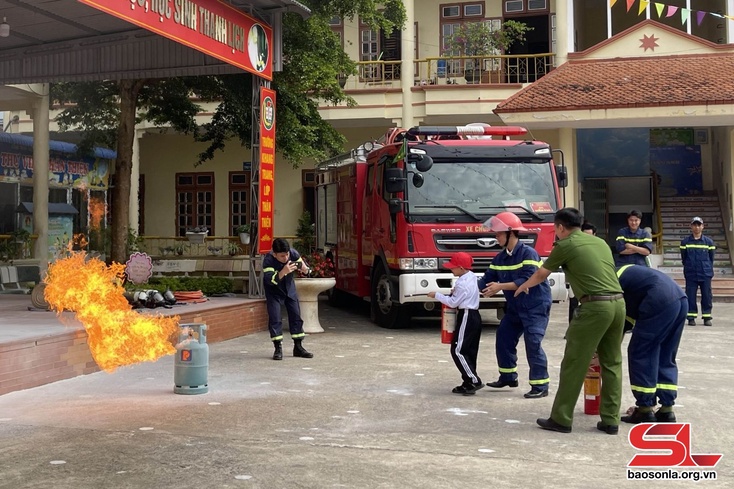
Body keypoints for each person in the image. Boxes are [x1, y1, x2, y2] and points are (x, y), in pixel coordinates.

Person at [515, 208, 626, 435]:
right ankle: (611, 420)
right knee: (612, 362)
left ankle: (561, 418)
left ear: (561, 227)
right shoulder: (600, 243)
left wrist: (524, 285)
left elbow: (541, 274)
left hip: (594, 307)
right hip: (618, 304)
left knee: (575, 363)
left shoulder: (565, 245)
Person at [478, 211, 552, 399]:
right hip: (515, 307)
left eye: (499, 233)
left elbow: (528, 279)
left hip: (535, 306)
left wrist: (500, 287)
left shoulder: (528, 253)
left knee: (533, 342)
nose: (496, 237)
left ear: (511, 233)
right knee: (504, 336)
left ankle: (540, 384)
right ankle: (508, 376)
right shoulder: (500, 258)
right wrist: (462, 287)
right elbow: (486, 280)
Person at [616, 265, 687, 424]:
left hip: (658, 299)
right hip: (680, 298)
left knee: (642, 351)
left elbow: (615, 320)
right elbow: (625, 324)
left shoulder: (613, 280)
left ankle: (645, 409)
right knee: (665, 353)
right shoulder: (631, 276)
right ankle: (666, 410)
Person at [428, 252, 483, 396]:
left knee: (457, 350)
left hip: (466, 315)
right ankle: (468, 382)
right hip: (475, 315)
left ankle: (473, 380)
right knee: (469, 350)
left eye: (453, 267)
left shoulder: (462, 283)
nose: (451, 270)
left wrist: (437, 295)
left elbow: (453, 302)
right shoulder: (471, 276)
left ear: (460, 268)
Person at [262, 238, 313, 360]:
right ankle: (278, 348)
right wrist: (283, 271)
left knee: (296, 316)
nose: (285, 258)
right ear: (274, 254)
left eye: (287, 255)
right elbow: (269, 280)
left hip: (289, 289)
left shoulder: (293, 253)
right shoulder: (268, 260)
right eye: (282, 256)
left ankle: (298, 347)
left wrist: (305, 270)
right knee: (275, 318)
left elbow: (305, 268)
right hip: (274, 292)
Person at [680, 216, 715, 326]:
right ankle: (691, 317)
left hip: (705, 273)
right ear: (691, 226)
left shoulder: (709, 242)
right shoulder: (685, 242)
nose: (696, 227)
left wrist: (706, 267)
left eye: (699, 225)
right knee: (690, 295)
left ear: (702, 227)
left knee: (707, 295)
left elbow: (711, 258)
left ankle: (706, 317)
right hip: (691, 273)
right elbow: (684, 258)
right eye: (694, 225)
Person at [567, 221, 597, 322]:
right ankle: (571, 327)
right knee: (573, 303)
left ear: (594, 235)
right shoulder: (573, 245)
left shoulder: (599, 247)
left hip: (592, 280)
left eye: (589, 235)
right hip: (576, 279)